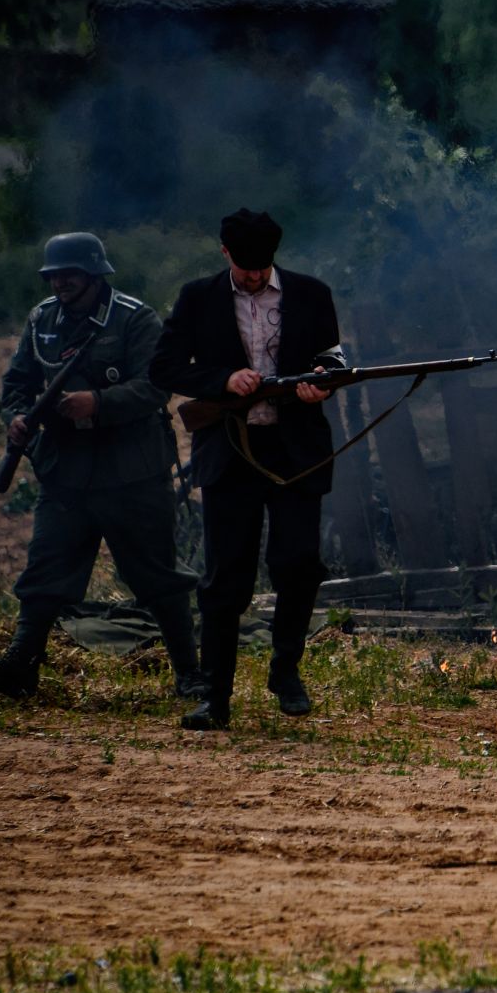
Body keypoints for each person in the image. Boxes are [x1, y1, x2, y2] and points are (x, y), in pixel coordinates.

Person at [0, 233, 203, 700]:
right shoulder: (42, 320)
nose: (60, 283)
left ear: (95, 274)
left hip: (130, 469)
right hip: (66, 472)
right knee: (46, 570)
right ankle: (21, 666)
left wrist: (97, 402)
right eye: (53, 275)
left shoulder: (135, 319)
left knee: (156, 575)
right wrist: (16, 416)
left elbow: (156, 386)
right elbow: (16, 383)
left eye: (69, 274)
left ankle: (191, 674)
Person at [149, 209, 344, 731]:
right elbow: (163, 366)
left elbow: (334, 357)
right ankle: (215, 694)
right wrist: (221, 380)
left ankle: (286, 671)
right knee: (225, 578)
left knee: (299, 563)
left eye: (264, 266)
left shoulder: (311, 293)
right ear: (225, 253)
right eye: (246, 266)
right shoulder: (198, 298)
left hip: (296, 451)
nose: (256, 277)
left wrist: (322, 380)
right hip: (230, 451)